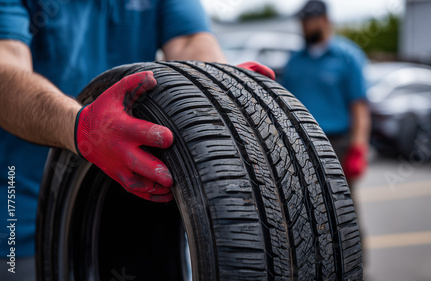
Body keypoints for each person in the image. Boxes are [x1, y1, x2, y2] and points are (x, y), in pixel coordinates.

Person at [0, 1, 273, 280]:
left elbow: (191, 43)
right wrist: (79, 126)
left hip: (135, 211)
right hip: (22, 222)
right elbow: (4, 72)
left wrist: (218, 86)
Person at [282, 0, 371, 187]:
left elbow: (359, 107)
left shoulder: (347, 57)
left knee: (341, 209)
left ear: (325, 20)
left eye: (309, 21)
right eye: (302, 22)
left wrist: (358, 149)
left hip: (336, 144)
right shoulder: (295, 60)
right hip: (300, 143)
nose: (304, 26)